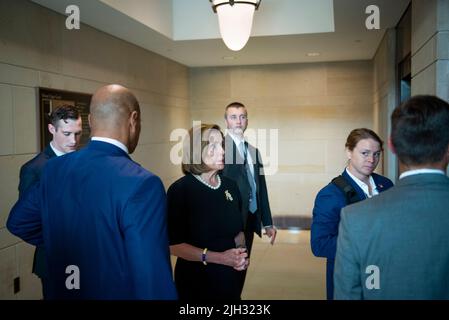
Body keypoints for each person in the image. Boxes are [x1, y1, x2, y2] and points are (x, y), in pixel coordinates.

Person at [7, 84, 177, 299]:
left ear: (89, 121)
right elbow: (152, 278)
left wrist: (67, 242)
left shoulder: (54, 169)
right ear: (133, 120)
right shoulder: (142, 183)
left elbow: (18, 222)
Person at [334, 95, 449, 300]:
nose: (371, 159)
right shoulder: (339, 200)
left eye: (374, 153)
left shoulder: (356, 218)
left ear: (391, 146)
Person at [167, 124, 249, 300]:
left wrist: (241, 253)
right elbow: (173, 246)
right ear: (196, 151)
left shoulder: (230, 186)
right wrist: (220, 258)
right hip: (196, 283)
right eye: (213, 146)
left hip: (229, 280)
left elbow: (238, 232)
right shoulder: (181, 190)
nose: (222, 151)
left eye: (222, 145)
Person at [311, 128, 393, 300]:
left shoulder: (386, 185)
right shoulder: (330, 195)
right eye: (365, 153)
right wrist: (367, 244)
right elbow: (319, 245)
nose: (372, 160)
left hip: (386, 276)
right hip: (350, 281)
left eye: (377, 154)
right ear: (349, 152)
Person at [17, 104, 82, 299]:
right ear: (51, 129)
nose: (73, 141)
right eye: (67, 133)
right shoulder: (34, 169)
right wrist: (57, 242)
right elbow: (27, 220)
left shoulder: (81, 161)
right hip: (55, 260)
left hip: (85, 257)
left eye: (78, 134)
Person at [222, 102, 277, 255]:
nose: (238, 121)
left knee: (242, 269)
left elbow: (261, 188)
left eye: (242, 117)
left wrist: (267, 222)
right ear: (226, 121)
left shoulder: (254, 151)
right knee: (229, 272)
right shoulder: (220, 149)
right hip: (230, 222)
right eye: (233, 117)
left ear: (247, 121)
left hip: (250, 218)